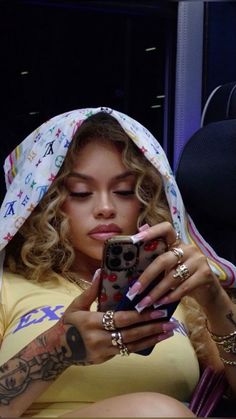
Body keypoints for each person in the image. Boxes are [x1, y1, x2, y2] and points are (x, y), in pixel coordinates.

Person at [0, 108, 235, 417]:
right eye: (81, 193)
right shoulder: (8, 286)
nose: (106, 208)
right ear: (49, 204)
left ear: (146, 199)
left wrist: (215, 303)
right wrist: (58, 349)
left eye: (124, 191)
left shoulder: (177, 294)